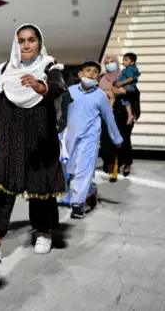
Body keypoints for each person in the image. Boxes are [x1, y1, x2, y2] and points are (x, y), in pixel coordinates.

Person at [0, 24, 66, 264]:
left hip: (39, 139)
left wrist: (39, 86)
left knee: (40, 187)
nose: (26, 45)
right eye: (22, 40)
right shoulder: (4, 70)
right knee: (2, 186)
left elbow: (58, 90)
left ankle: (44, 231)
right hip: (9, 137)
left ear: (39, 42)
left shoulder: (49, 66)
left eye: (32, 40)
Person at [65, 60, 123, 219]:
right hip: (69, 138)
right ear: (80, 74)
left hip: (89, 139)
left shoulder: (101, 96)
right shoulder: (69, 92)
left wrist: (116, 138)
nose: (91, 73)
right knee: (69, 171)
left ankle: (78, 205)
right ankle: (90, 190)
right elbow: (61, 115)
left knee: (83, 169)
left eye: (95, 72)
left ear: (98, 77)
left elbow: (108, 118)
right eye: (88, 70)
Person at [99, 55, 136, 179]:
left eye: (112, 62)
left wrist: (114, 93)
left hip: (122, 113)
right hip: (106, 113)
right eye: (107, 62)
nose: (110, 64)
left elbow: (132, 92)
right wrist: (108, 92)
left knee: (124, 139)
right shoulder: (102, 78)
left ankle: (126, 163)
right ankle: (111, 162)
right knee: (107, 140)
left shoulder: (124, 75)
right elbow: (97, 92)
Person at [112, 53, 140, 125]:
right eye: (123, 60)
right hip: (127, 86)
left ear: (132, 62)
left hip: (129, 86)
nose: (123, 61)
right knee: (124, 100)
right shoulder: (128, 69)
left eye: (126, 60)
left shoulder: (130, 69)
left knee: (119, 95)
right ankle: (130, 114)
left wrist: (121, 83)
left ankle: (129, 114)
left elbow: (130, 79)